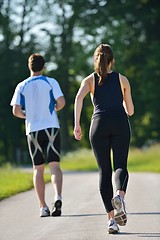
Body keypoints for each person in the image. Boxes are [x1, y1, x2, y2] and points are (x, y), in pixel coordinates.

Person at [73, 44, 134, 234]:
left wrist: (77, 125)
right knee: (120, 166)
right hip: (119, 123)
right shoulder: (122, 79)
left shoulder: (89, 80)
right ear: (112, 60)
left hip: (97, 125)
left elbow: (78, 99)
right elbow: (130, 111)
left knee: (104, 171)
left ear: (96, 59)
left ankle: (111, 221)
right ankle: (119, 196)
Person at [10, 54, 65, 217]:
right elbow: (61, 102)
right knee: (54, 166)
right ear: (44, 66)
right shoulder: (51, 82)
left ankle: (42, 207)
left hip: (32, 130)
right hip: (51, 127)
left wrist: (29, 115)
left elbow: (16, 110)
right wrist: (54, 108)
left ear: (29, 66)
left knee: (38, 169)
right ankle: (58, 197)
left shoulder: (21, 85)